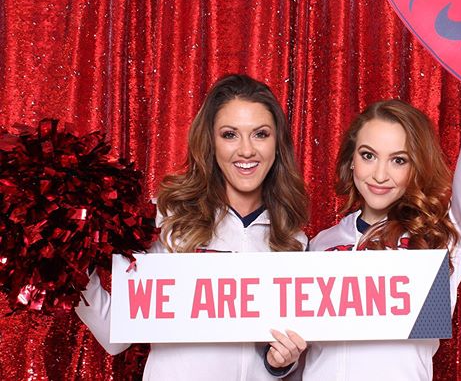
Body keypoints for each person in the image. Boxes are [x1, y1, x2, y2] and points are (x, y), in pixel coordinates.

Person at [76, 74, 308, 380]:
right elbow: (115, 335)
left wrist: (281, 364)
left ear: (277, 144)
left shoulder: (293, 239)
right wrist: (72, 268)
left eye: (260, 134)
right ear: (210, 142)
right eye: (230, 134)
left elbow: (285, 361)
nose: (247, 150)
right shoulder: (167, 216)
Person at [301, 93, 461, 381]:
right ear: (351, 160)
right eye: (368, 155)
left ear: (416, 167)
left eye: (398, 160)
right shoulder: (319, 245)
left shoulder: (442, 240)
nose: (380, 174)